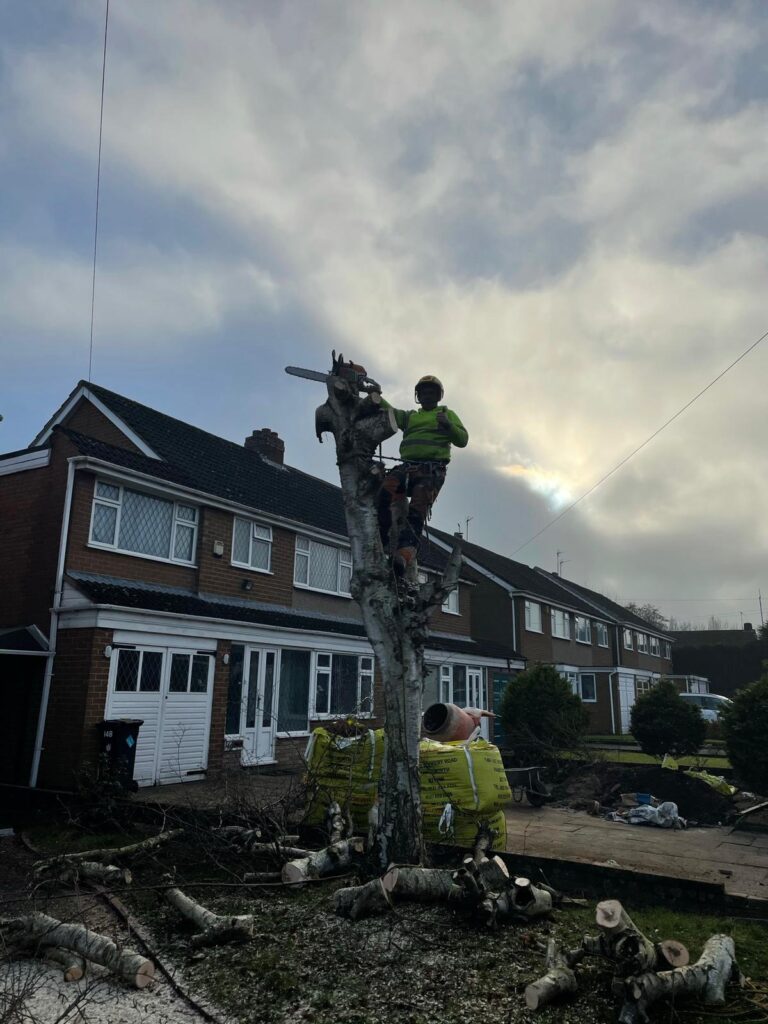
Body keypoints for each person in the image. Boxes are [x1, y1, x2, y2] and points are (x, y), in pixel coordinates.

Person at [376, 375, 468, 575]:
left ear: (438, 396)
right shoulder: (410, 417)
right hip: (407, 467)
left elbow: (463, 440)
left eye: (431, 392)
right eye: (424, 392)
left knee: (417, 512)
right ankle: (381, 541)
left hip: (430, 471)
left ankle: (404, 554)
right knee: (383, 493)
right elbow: (390, 412)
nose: (427, 395)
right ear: (418, 395)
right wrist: (375, 395)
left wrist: (449, 426)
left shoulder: (446, 413)